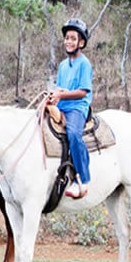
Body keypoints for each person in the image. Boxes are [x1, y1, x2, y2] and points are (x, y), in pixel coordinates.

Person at [47, 18, 93, 199]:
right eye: (67, 38)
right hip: (63, 105)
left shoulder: (84, 63)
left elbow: (83, 92)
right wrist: (52, 96)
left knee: (74, 134)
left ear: (81, 42)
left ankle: (83, 178)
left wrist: (61, 95)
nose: (69, 41)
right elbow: (59, 88)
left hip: (77, 107)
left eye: (73, 38)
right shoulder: (62, 65)